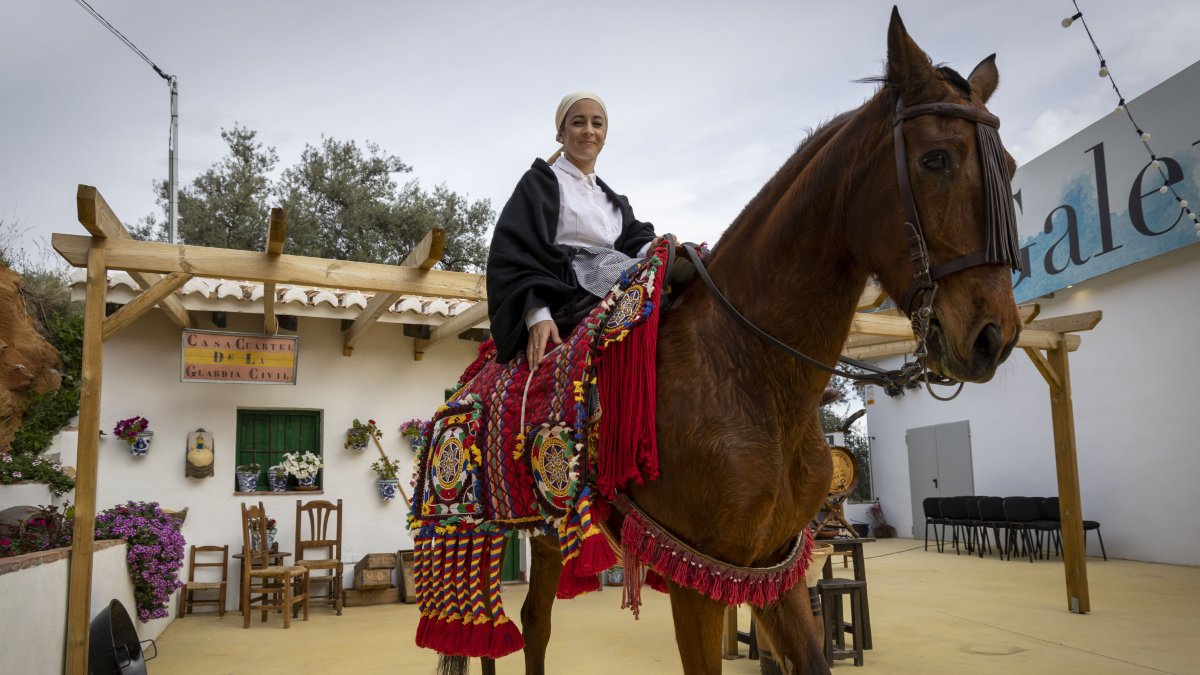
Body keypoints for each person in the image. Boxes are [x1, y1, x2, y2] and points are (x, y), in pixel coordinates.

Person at [487, 91, 662, 370]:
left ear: (605, 135)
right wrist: (537, 314)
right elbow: (513, 252)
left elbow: (633, 238)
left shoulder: (611, 198)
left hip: (619, 276)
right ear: (561, 134)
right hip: (567, 292)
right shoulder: (540, 183)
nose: (589, 131)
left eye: (597, 123)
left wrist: (655, 247)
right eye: (579, 122)